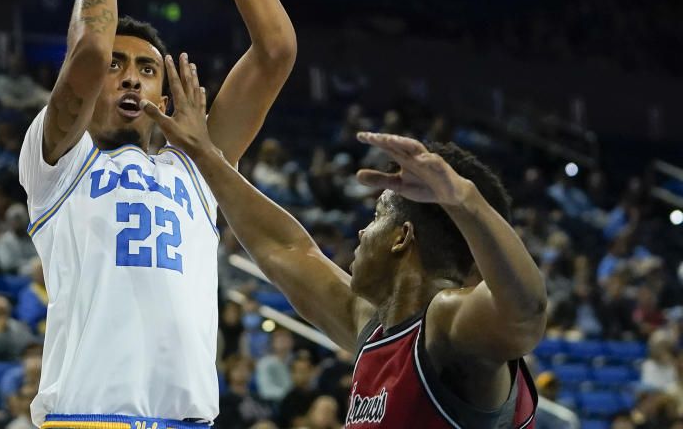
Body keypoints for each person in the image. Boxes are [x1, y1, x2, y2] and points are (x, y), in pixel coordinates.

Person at [20, 0, 296, 427]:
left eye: (147, 69)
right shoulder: (59, 163)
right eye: (119, 67)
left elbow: (276, 49)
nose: (130, 77)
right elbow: (89, 52)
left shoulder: (198, 168)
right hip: (87, 419)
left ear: (166, 95)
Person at [140, 57, 545, 428]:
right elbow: (285, 249)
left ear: (402, 238)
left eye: (376, 217)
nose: (362, 233)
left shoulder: (448, 325)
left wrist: (466, 201)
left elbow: (526, 313)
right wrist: (203, 154)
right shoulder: (375, 330)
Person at [215, 355, 271, 429]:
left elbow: (271, 417)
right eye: (237, 368)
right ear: (228, 373)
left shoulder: (258, 397)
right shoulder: (224, 401)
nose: (242, 371)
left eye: (246, 368)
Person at [0, 204, 37, 275]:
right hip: (13, 276)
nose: (18, 222)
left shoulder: (32, 237)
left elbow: (38, 257)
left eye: (20, 219)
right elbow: (6, 264)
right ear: (9, 221)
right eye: (15, 219)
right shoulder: (3, 240)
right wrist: (29, 263)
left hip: (33, 269)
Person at [256, 327, 295, 403]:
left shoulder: (297, 361)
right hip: (275, 403)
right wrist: (290, 396)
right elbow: (265, 390)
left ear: (292, 342)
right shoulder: (265, 363)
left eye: (286, 337)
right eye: (279, 338)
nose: (282, 340)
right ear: (272, 343)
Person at [14, 262, 47, 336]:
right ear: (34, 275)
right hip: (40, 333)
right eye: (40, 272)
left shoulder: (55, 289)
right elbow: (30, 316)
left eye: (44, 271)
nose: (42, 275)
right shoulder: (28, 293)